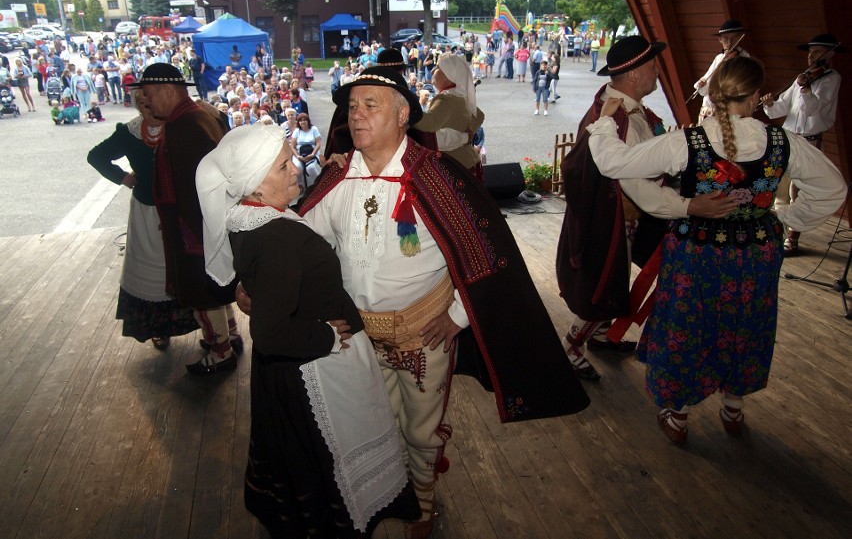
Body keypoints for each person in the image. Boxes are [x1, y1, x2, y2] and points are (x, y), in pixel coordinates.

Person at [241, 66, 589, 538]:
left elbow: (484, 251)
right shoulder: (336, 178)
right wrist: (256, 286)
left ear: (403, 115)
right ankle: (389, 493)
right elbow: (297, 242)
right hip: (357, 337)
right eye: (352, 106)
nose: (356, 115)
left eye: (371, 105)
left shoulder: (437, 177)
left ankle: (421, 501)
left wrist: (458, 317)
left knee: (422, 433)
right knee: (374, 424)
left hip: (423, 332)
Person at [585, 56, 846, 442]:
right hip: (757, 253)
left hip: (698, 252)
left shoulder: (687, 143)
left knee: (689, 327)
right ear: (756, 96)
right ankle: (733, 407)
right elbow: (833, 189)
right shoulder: (782, 141)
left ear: (715, 92)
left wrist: (606, 122)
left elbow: (614, 163)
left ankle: (678, 415)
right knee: (746, 325)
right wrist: (786, 216)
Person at [195, 122, 419, 537]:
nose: (296, 169)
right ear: (255, 186)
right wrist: (330, 337)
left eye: (290, 160)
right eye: (283, 166)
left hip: (286, 371)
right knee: (328, 461)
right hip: (312, 368)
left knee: (303, 463)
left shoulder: (251, 218)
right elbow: (272, 333)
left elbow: (270, 280)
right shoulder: (275, 235)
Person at [557, 36, 738, 382]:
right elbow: (635, 183)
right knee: (604, 286)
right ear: (635, 75)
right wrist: (687, 205)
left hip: (621, 215)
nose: (657, 72)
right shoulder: (620, 117)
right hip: (615, 219)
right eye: (652, 67)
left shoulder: (619, 108)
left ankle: (597, 335)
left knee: (612, 282)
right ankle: (571, 347)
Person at [130, 63, 242, 374]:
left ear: (168, 91)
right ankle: (230, 335)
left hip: (193, 232)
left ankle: (221, 353)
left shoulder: (183, 126)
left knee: (201, 293)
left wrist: (192, 234)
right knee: (215, 285)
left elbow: (192, 191)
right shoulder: (201, 113)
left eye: (150, 94)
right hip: (206, 227)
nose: (148, 101)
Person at [87, 95, 199, 350]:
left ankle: (211, 328)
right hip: (147, 213)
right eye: (144, 104)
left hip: (179, 210)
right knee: (154, 273)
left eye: (153, 103)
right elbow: (96, 156)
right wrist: (123, 177)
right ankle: (159, 328)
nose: (149, 108)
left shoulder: (179, 127)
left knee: (186, 267)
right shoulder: (130, 132)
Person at [762, 32, 846, 256]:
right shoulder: (801, 78)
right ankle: (775, 230)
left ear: (829, 54)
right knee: (779, 186)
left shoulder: (831, 79)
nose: (811, 57)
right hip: (789, 138)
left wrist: (806, 89)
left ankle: (793, 238)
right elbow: (781, 108)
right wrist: (770, 104)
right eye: (810, 52)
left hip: (809, 141)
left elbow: (813, 109)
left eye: (816, 52)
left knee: (798, 190)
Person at [414, 53, 485, 179]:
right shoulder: (461, 95)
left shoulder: (445, 99)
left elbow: (428, 124)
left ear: (448, 75)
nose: (433, 71)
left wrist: (408, 112)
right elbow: (479, 115)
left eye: (437, 68)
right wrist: (468, 131)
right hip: (468, 159)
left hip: (451, 164)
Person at [693, 19, 750, 121]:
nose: (730, 42)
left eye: (734, 38)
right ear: (720, 39)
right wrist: (701, 84)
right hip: (709, 108)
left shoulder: (744, 58)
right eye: (726, 38)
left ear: (740, 37)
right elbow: (707, 79)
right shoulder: (719, 58)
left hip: (728, 109)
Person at [290, 113, 322, 188]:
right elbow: (293, 147)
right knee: (298, 167)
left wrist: (313, 154)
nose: (303, 122)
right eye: (300, 121)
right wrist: (298, 156)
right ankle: (300, 184)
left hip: (312, 152)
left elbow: (318, 144)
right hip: (299, 153)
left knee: (310, 168)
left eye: (304, 120)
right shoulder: (297, 131)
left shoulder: (314, 129)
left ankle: (319, 183)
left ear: (308, 121)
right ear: (298, 122)